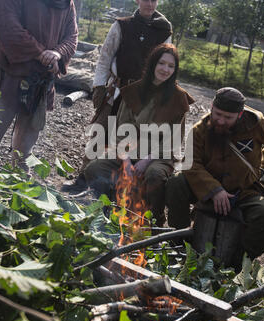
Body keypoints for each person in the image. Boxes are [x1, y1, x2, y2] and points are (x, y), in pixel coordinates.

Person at [62, 0, 172, 193]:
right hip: (118, 91)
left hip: (144, 95)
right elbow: (105, 58)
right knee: (100, 132)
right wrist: (99, 86)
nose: (149, 4)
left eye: (153, 0)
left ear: (157, 1)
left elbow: (166, 62)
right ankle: (83, 178)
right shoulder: (122, 25)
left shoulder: (163, 31)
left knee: (131, 139)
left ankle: (118, 187)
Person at [165, 87, 264, 261]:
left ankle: (237, 264)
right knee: (176, 183)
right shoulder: (200, 130)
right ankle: (179, 244)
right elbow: (191, 164)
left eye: (227, 117)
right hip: (207, 188)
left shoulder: (258, 126)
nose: (220, 121)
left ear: (239, 114)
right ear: (212, 107)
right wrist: (214, 190)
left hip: (245, 191)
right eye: (217, 114)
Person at [0, 0, 78, 168]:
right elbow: (9, 29)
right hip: (8, 75)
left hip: (40, 82)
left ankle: (15, 193)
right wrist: (42, 53)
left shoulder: (65, 0)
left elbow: (72, 36)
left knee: (25, 148)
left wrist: (57, 54)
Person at [83, 43, 194, 227]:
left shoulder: (178, 99)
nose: (165, 69)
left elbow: (172, 142)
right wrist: (126, 160)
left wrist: (146, 160)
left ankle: (154, 220)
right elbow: (120, 132)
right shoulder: (133, 91)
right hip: (129, 151)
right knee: (95, 168)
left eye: (171, 66)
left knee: (154, 176)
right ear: (152, 64)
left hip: (159, 156)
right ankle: (105, 210)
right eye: (161, 63)